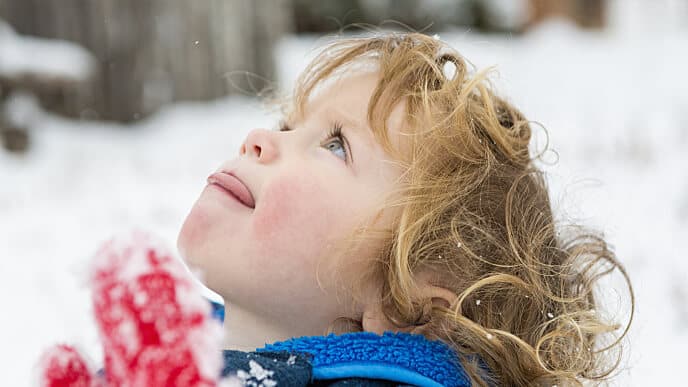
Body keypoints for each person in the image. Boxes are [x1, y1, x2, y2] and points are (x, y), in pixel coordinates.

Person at [177, 32, 633, 386]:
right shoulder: (177, 338)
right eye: (288, 125)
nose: (260, 138)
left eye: (336, 146)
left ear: (407, 309)